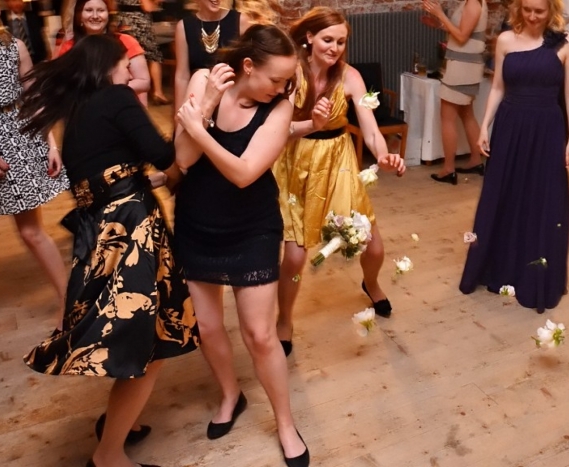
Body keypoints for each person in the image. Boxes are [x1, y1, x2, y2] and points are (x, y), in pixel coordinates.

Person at [20, 34, 198, 467]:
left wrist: (143, 178)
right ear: (108, 67)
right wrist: (197, 111)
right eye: (126, 65)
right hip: (130, 229)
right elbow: (164, 154)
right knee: (146, 349)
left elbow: (107, 170)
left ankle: (122, 423)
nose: (131, 73)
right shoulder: (116, 97)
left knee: (129, 337)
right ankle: (108, 456)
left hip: (102, 228)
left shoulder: (81, 109)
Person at [173, 24, 309, 467]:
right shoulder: (202, 82)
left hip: (252, 226)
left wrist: (198, 126)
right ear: (248, 66)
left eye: (288, 81)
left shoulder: (280, 107)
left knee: (259, 335)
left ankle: (286, 423)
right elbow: (182, 160)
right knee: (209, 328)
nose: (283, 88)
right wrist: (207, 106)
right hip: (197, 222)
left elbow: (245, 172)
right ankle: (231, 395)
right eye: (276, 79)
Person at [273, 7, 406, 356]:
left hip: (338, 163)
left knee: (374, 246)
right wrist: (309, 125)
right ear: (309, 37)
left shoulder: (351, 77)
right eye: (328, 40)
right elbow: (276, 131)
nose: (334, 48)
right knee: (295, 259)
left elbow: (371, 128)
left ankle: (371, 284)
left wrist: (383, 155)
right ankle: (284, 319)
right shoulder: (289, 73)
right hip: (296, 162)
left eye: (341, 42)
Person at [458, 0, 569, 312]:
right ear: (519, 9)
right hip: (511, 127)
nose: (533, 16)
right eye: (527, 9)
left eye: (539, 11)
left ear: (551, 9)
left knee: (542, 199)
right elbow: (498, 87)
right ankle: (497, 268)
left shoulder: (568, 43)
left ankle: (534, 275)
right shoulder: (505, 40)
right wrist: (484, 126)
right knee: (504, 195)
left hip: (546, 128)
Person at [0, 0, 67, 326]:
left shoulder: (13, 46)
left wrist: (52, 144)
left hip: (18, 140)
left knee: (31, 231)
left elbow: (34, 99)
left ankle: (66, 298)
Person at [421, 0, 488, 184]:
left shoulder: (473, 4)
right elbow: (460, 30)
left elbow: (461, 37)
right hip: (465, 65)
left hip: (462, 68)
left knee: (447, 117)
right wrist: (439, 23)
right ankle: (476, 160)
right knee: (467, 114)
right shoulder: (469, 2)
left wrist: (440, 13)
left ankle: (448, 169)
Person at [56, 0, 151, 106]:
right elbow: (62, 83)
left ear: (108, 14)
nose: (95, 16)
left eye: (101, 10)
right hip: (85, 110)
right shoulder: (70, 46)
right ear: (79, 16)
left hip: (122, 106)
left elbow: (144, 81)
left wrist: (104, 92)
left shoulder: (126, 41)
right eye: (89, 10)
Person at [173, 0, 252, 113]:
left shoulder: (240, 21)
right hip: (198, 101)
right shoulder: (184, 26)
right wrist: (179, 113)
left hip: (230, 104)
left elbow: (249, 68)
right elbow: (182, 76)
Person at [116, 0, 170, 105]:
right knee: (154, 56)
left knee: (126, 55)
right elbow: (147, 7)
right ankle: (158, 92)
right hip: (139, 23)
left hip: (122, 21)